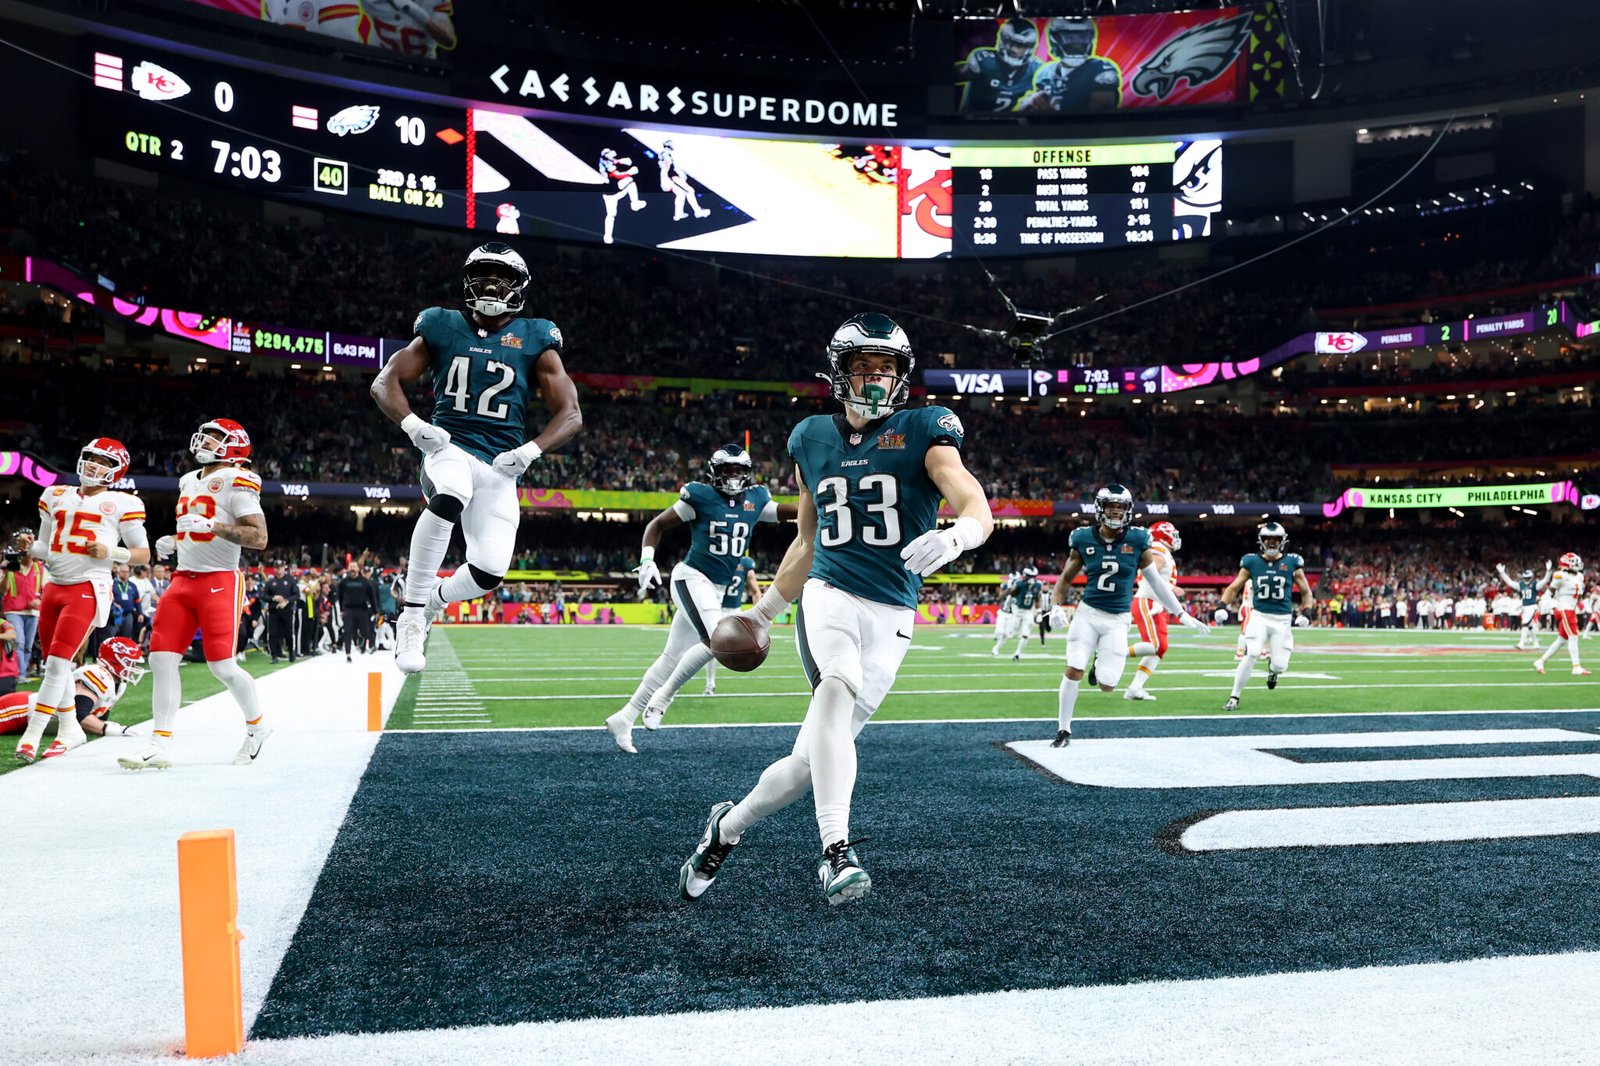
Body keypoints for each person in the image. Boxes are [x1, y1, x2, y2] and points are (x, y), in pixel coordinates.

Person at [678, 312, 994, 906]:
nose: (875, 378)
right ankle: (835, 852)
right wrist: (766, 612)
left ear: (902, 376)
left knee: (807, 763)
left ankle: (726, 828)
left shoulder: (926, 428)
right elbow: (806, 541)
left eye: (887, 368)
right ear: (839, 372)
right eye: (862, 366)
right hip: (831, 594)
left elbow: (972, 498)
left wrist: (958, 537)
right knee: (834, 688)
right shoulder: (810, 437)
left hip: (894, 613)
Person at [372, 242, 582, 675]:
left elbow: (571, 414)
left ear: (518, 286)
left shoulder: (536, 334)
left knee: (490, 569)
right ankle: (411, 616)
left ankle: (430, 602)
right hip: (449, 446)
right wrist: (415, 427)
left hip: (500, 465)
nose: (490, 283)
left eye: (501, 276)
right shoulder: (440, 324)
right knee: (451, 492)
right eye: (483, 274)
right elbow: (384, 382)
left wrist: (530, 450)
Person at [606, 444, 781, 753]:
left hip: (715, 588)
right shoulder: (700, 496)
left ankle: (625, 716)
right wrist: (648, 560)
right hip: (691, 577)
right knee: (721, 639)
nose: (733, 477)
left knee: (671, 657)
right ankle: (665, 697)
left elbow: (791, 512)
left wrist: (821, 499)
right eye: (727, 471)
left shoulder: (756, 499)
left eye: (739, 471)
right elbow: (656, 525)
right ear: (714, 473)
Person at [121, 419, 270, 771]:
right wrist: (175, 541)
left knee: (222, 666)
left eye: (216, 437)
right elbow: (194, 528)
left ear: (234, 445)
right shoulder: (188, 479)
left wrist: (213, 526)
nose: (206, 441)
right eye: (207, 434)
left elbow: (259, 537)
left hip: (219, 580)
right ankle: (160, 743)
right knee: (160, 659)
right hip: (182, 579)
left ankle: (257, 726)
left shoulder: (239, 478)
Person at [10, 438, 149, 763]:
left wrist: (111, 552)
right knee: (56, 664)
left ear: (115, 470)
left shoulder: (122, 503)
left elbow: (144, 554)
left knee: (57, 664)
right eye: (90, 457)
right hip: (54, 585)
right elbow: (46, 548)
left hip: (88, 586)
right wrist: (30, 545)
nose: (93, 465)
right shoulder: (55, 494)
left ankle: (32, 737)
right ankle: (71, 728)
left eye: (102, 461)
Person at [1046, 487, 1208, 746]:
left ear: (1128, 510)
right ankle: (1063, 730)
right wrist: (1054, 605)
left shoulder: (1139, 539)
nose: (1116, 511)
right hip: (1087, 614)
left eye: (1121, 507)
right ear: (1100, 508)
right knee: (1075, 666)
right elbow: (1065, 578)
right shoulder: (1083, 538)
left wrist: (1180, 613)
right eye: (1111, 506)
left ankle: (1099, 662)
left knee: (1107, 684)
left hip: (1118, 621)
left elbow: (1155, 582)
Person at [642, 556, 763, 729]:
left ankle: (702, 685)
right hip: (718, 606)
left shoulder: (737, 563)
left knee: (714, 647)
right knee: (710, 646)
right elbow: (754, 589)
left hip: (728, 608)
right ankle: (708, 683)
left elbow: (754, 587)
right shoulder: (732, 562)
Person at [1219, 522, 1314, 711]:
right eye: (1268, 539)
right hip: (1259, 616)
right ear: (1261, 541)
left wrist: (1307, 611)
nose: (1271, 543)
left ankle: (1273, 671)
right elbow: (1234, 587)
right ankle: (1234, 697)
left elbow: (1306, 591)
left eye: (1275, 539)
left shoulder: (1293, 562)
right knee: (1252, 652)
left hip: (1283, 620)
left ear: (1282, 541)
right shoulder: (1252, 562)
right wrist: (1222, 605)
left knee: (1280, 665)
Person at [0, 637, 147, 747]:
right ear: (114, 661)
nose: (133, 667)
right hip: (21, 710)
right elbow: (80, 715)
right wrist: (110, 729)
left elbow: (97, 718)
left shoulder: (118, 684)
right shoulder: (98, 674)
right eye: (130, 663)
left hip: (30, 716)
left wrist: (103, 726)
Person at [1123, 520, 1184, 702]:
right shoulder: (1158, 548)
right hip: (1148, 600)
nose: (1175, 538)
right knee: (1156, 645)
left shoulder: (1160, 550)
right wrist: (1170, 589)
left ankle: (1135, 688)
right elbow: (1151, 576)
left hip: (1155, 603)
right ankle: (1114, 652)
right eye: (1172, 534)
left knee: (1160, 649)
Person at [1020, 17, 1121, 113]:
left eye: (1082, 38)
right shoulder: (1046, 72)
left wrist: (1050, 115)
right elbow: (1036, 105)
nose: (1077, 44)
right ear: (1055, 39)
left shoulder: (1101, 69)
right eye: (1069, 37)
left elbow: (1099, 115)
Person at [956, 17, 1042, 113]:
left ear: (1029, 48)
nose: (1013, 49)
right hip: (973, 123)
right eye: (1010, 42)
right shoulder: (985, 61)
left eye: (1020, 45)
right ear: (1002, 40)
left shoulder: (1036, 70)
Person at [1533, 553, 1590, 676]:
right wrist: (1546, 607)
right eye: (1574, 562)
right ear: (1567, 564)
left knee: (1562, 640)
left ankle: (1540, 661)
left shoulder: (1579, 576)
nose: (1577, 564)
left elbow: (1578, 595)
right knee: (1574, 637)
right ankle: (1576, 666)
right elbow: (1550, 592)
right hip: (1564, 609)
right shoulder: (1560, 575)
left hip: (1571, 609)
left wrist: (1581, 605)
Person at [2, 550, 43, 679]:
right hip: (13, 611)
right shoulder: (10, 567)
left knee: (28, 646)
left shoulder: (39, 568)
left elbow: (47, 589)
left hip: (33, 612)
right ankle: (19, 674)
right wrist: (8, 572)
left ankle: (21, 672)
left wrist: (40, 600)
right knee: (19, 642)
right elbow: (3, 589)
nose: (29, 555)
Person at [1495, 561, 1549, 650]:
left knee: (1524, 624)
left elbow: (1545, 581)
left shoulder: (1535, 585)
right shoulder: (1521, 585)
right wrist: (1502, 572)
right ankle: (1536, 643)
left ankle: (1521, 643)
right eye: (1525, 578)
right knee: (1530, 626)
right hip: (1525, 607)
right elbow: (1510, 582)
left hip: (1532, 606)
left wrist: (1548, 571)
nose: (1526, 580)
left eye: (1528, 578)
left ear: (1531, 578)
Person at [597, 149, 647, 244]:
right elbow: (618, 176)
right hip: (612, 192)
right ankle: (634, 203)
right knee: (629, 179)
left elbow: (626, 161)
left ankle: (607, 236)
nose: (612, 153)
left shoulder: (608, 160)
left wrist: (621, 161)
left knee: (611, 215)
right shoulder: (606, 163)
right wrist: (630, 172)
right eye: (609, 153)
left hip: (612, 193)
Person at [657, 140, 710, 221]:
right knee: (690, 191)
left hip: (669, 179)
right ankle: (698, 211)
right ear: (669, 146)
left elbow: (671, 167)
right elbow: (665, 167)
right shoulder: (665, 155)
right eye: (672, 144)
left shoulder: (667, 155)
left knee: (681, 193)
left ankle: (678, 214)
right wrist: (668, 179)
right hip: (670, 179)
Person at [337, 563, 378, 661]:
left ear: (358, 569)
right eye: (350, 567)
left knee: (365, 631)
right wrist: (341, 610)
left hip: (362, 609)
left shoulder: (365, 582)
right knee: (347, 631)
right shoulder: (344, 582)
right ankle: (348, 654)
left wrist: (375, 610)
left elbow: (372, 597)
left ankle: (362, 644)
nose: (352, 569)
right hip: (348, 609)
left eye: (354, 567)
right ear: (348, 569)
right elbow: (340, 597)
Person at [1007, 565, 1044, 661]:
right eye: (1030, 576)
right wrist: (1016, 587)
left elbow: (1037, 599)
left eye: (1034, 576)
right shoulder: (1019, 583)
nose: (1032, 578)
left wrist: (1039, 612)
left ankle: (1017, 654)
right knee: (1014, 633)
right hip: (1017, 610)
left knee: (1025, 634)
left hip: (1028, 611)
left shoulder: (1038, 585)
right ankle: (1015, 635)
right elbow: (1012, 594)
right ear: (1025, 576)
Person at [990, 570, 1020, 655]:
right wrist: (1009, 589)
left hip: (1011, 615)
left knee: (1006, 634)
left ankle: (995, 649)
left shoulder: (1020, 588)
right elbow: (999, 598)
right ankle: (996, 636)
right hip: (1003, 613)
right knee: (999, 631)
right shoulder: (1005, 586)